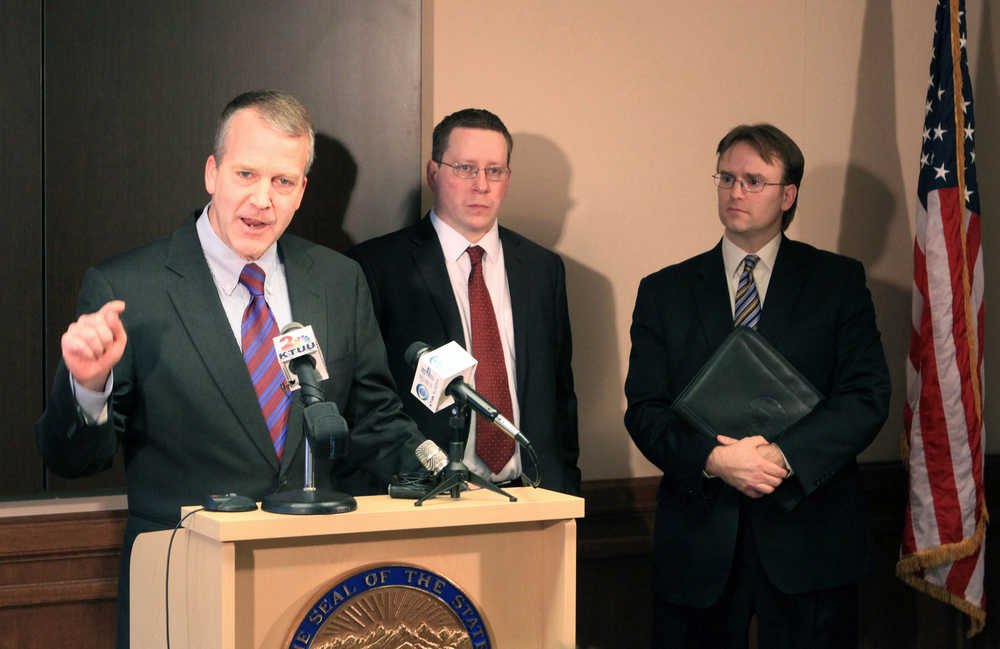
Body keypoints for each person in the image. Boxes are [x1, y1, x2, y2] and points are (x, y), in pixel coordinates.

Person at [35, 90, 426, 649]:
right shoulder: (129, 287)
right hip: (185, 591)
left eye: (282, 182)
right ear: (212, 173)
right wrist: (88, 387)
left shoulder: (339, 281)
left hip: (324, 600)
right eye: (246, 173)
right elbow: (70, 459)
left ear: (301, 193)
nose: (262, 199)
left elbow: (376, 422)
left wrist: (441, 474)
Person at [624, 123, 890, 648]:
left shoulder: (838, 282)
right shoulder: (664, 290)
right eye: (726, 177)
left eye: (753, 180)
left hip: (810, 537)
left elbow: (866, 397)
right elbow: (646, 410)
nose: (735, 192)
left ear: (788, 195)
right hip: (700, 541)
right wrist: (715, 460)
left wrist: (782, 457)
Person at [348, 108, 580, 495]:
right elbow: (365, 399)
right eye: (465, 169)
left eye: (494, 171)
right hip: (426, 497)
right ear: (434, 173)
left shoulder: (542, 269)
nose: (481, 185)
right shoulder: (376, 266)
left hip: (532, 496)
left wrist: (565, 487)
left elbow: (561, 395)